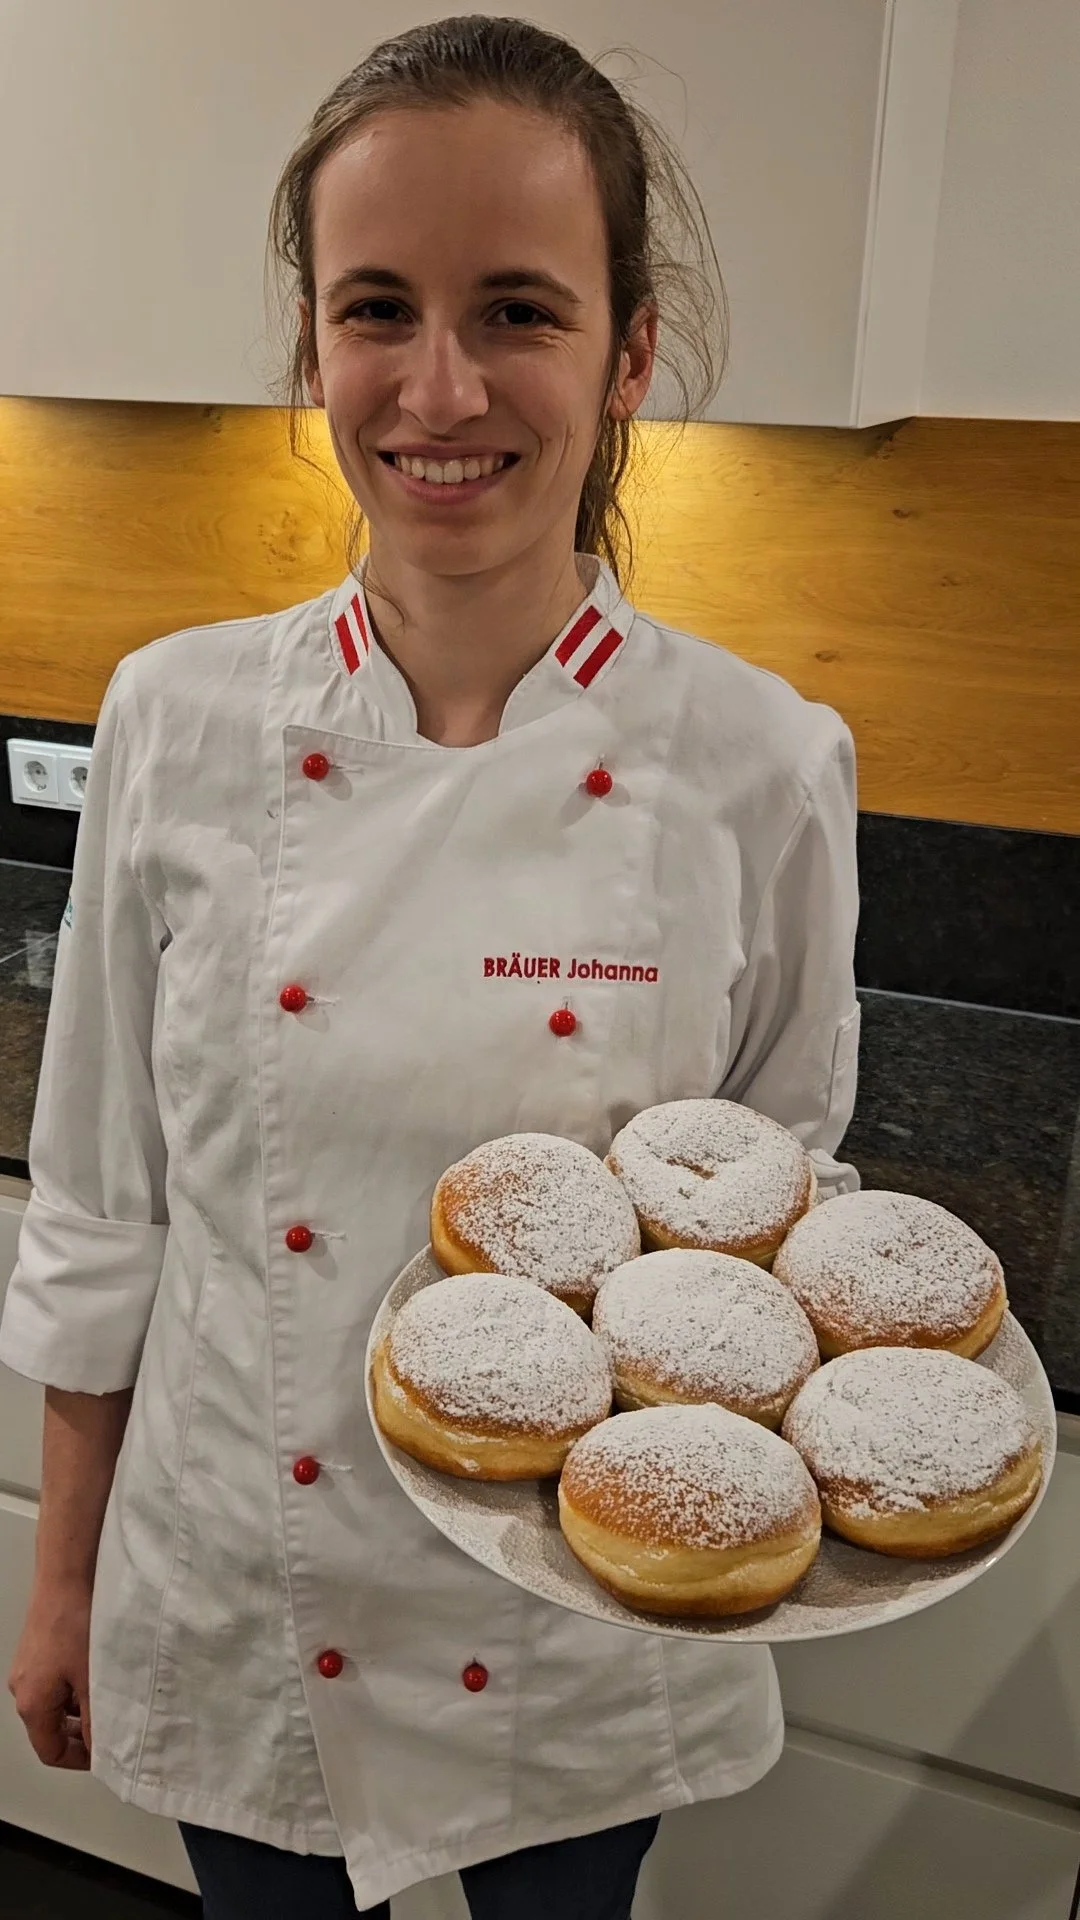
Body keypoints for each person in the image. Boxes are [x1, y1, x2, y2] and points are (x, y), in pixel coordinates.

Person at [2, 15, 861, 1918]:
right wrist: (60, 1579)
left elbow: (764, 1241)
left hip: (569, 1633)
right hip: (242, 1577)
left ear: (629, 352)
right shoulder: (178, 714)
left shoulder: (760, 764)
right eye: (376, 306)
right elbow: (101, 1200)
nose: (439, 383)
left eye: (521, 311)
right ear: (314, 345)